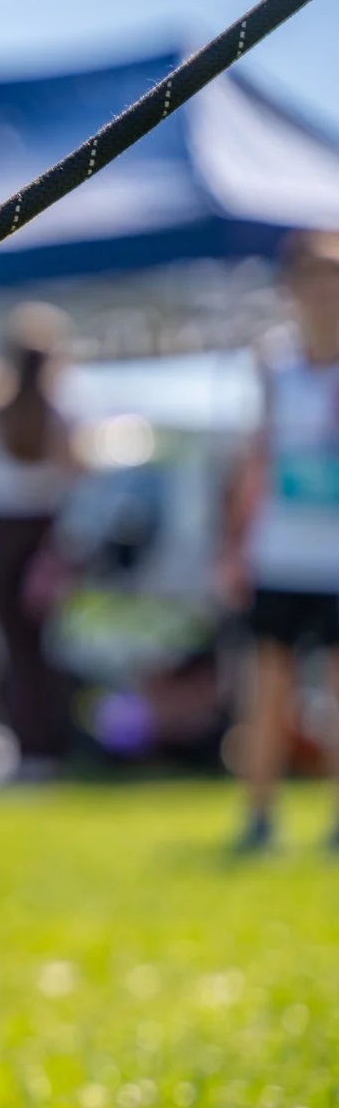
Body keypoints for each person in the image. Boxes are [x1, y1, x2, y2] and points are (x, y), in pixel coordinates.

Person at [224, 229, 339, 853]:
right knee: (268, 688)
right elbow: (255, 460)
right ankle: (259, 816)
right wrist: (235, 546)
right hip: (281, 551)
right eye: (313, 284)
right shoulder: (275, 364)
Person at [0, 302, 81, 774]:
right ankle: (43, 746)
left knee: (18, 650)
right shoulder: (59, 419)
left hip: (8, 537)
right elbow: (76, 480)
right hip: (44, 537)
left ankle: (32, 745)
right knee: (41, 649)